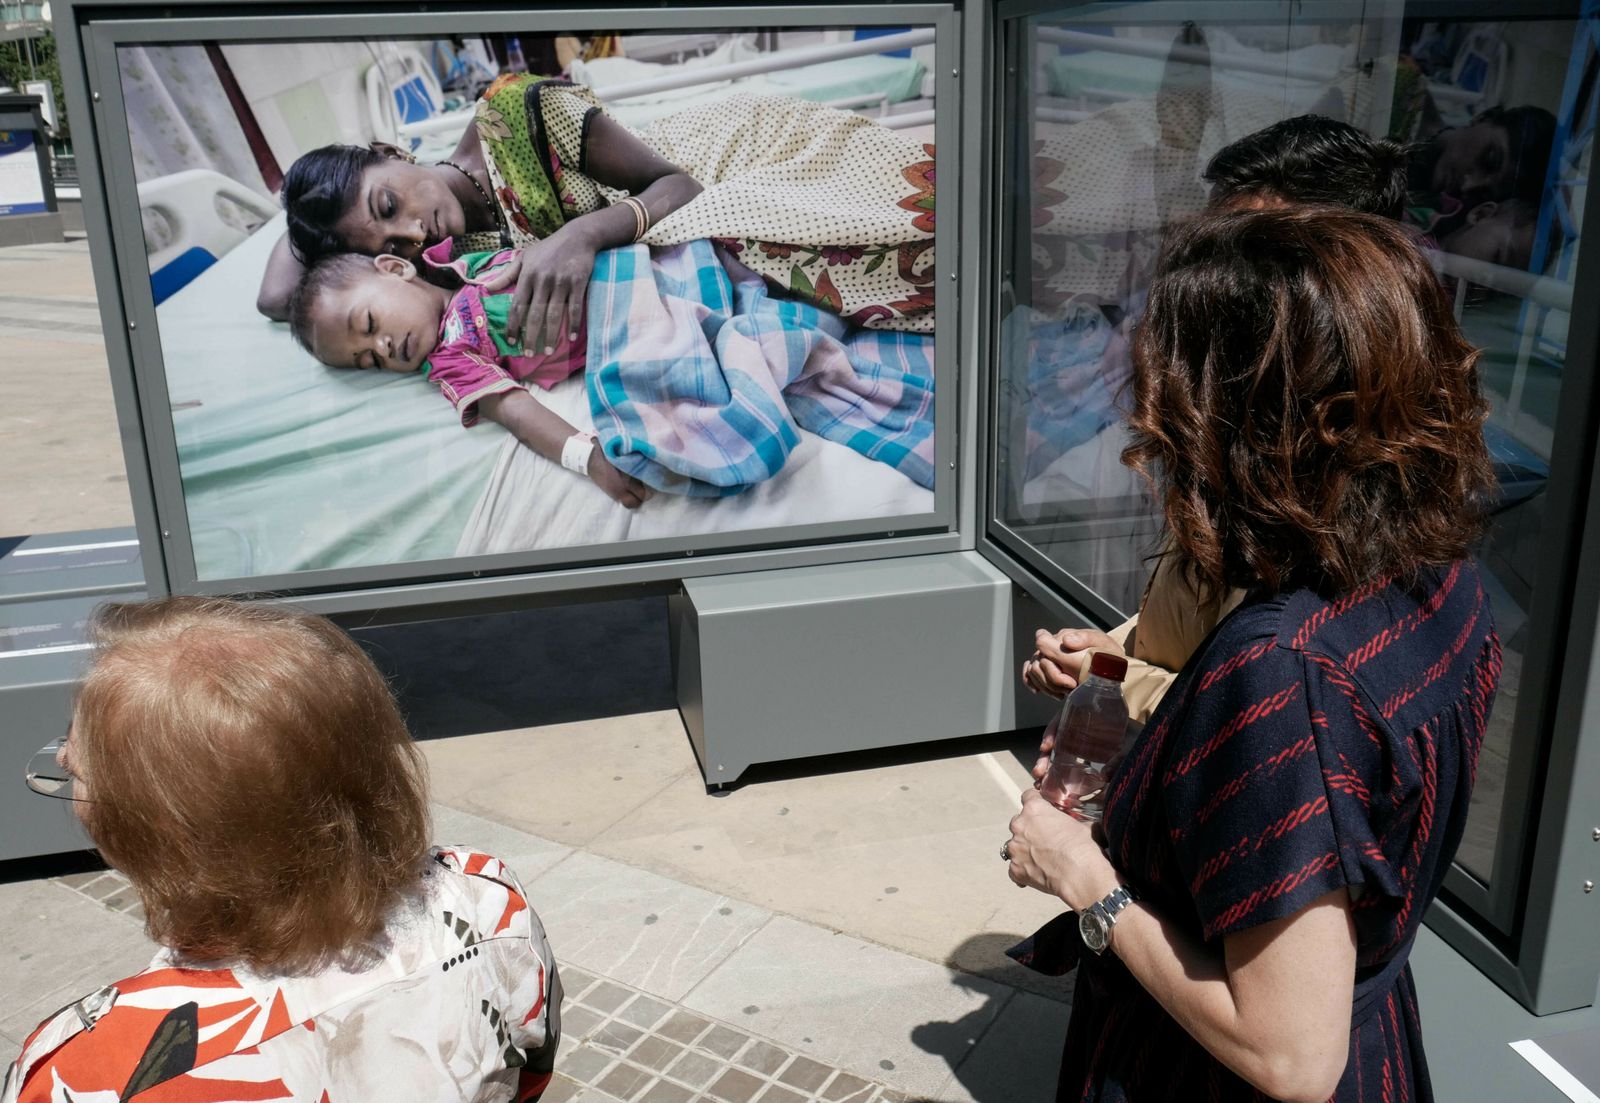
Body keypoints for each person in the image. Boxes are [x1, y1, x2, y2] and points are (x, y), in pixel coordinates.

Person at [1004, 206, 1500, 1102]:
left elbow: (1290, 1056)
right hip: (1382, 1043)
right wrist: (1155, 763)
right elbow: (1353, 816)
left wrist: (1081, 874)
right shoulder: (1442, 578)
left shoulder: (1285, 668)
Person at [4, 597, 562, 1101]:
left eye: (80, 770)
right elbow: (528, 1071)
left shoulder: (90, 1072)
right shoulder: (488, 900)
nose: (62, 759)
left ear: (164, 835)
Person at [1023, 113, 1414, 722]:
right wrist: (1111, 655)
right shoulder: (1250, 436)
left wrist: (1120, 681)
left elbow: (1261, 712)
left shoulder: (1334, 502)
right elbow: (1196, 628)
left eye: (1250, 255)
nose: (1214, 281)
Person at [258, 74, 939, 337]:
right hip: (678, 203)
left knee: (800, 225)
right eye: (389, 244)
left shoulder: (516, 112)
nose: (411, 230)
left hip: (720, 154)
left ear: (391, 151)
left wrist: (581, 235)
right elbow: (276, 298)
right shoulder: (439, 256)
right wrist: (304, 222)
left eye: (387, 202)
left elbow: (678, 186)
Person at [288, 246, 651, 508]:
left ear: (397, 269)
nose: (383, 348)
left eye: (369, 324)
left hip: (631, 261)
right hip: (631, 330)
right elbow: (514, 411)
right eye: (370, 361)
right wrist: (587, 458)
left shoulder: (465, 264)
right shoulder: (449, 361)